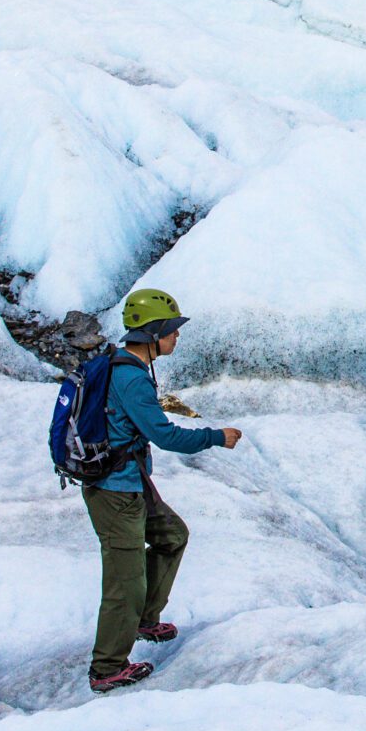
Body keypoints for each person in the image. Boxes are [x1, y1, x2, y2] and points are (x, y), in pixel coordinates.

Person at [81, 288, 240, 693]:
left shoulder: (127, 367)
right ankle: (107, 668)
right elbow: (164, 435)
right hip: (116, 492)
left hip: (131, 483)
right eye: (170, 330)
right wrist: (215, 437)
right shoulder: (131, 378)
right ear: (151, 334)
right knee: (124, 582)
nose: (176, 337)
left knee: (172, 536)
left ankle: (144, 619)